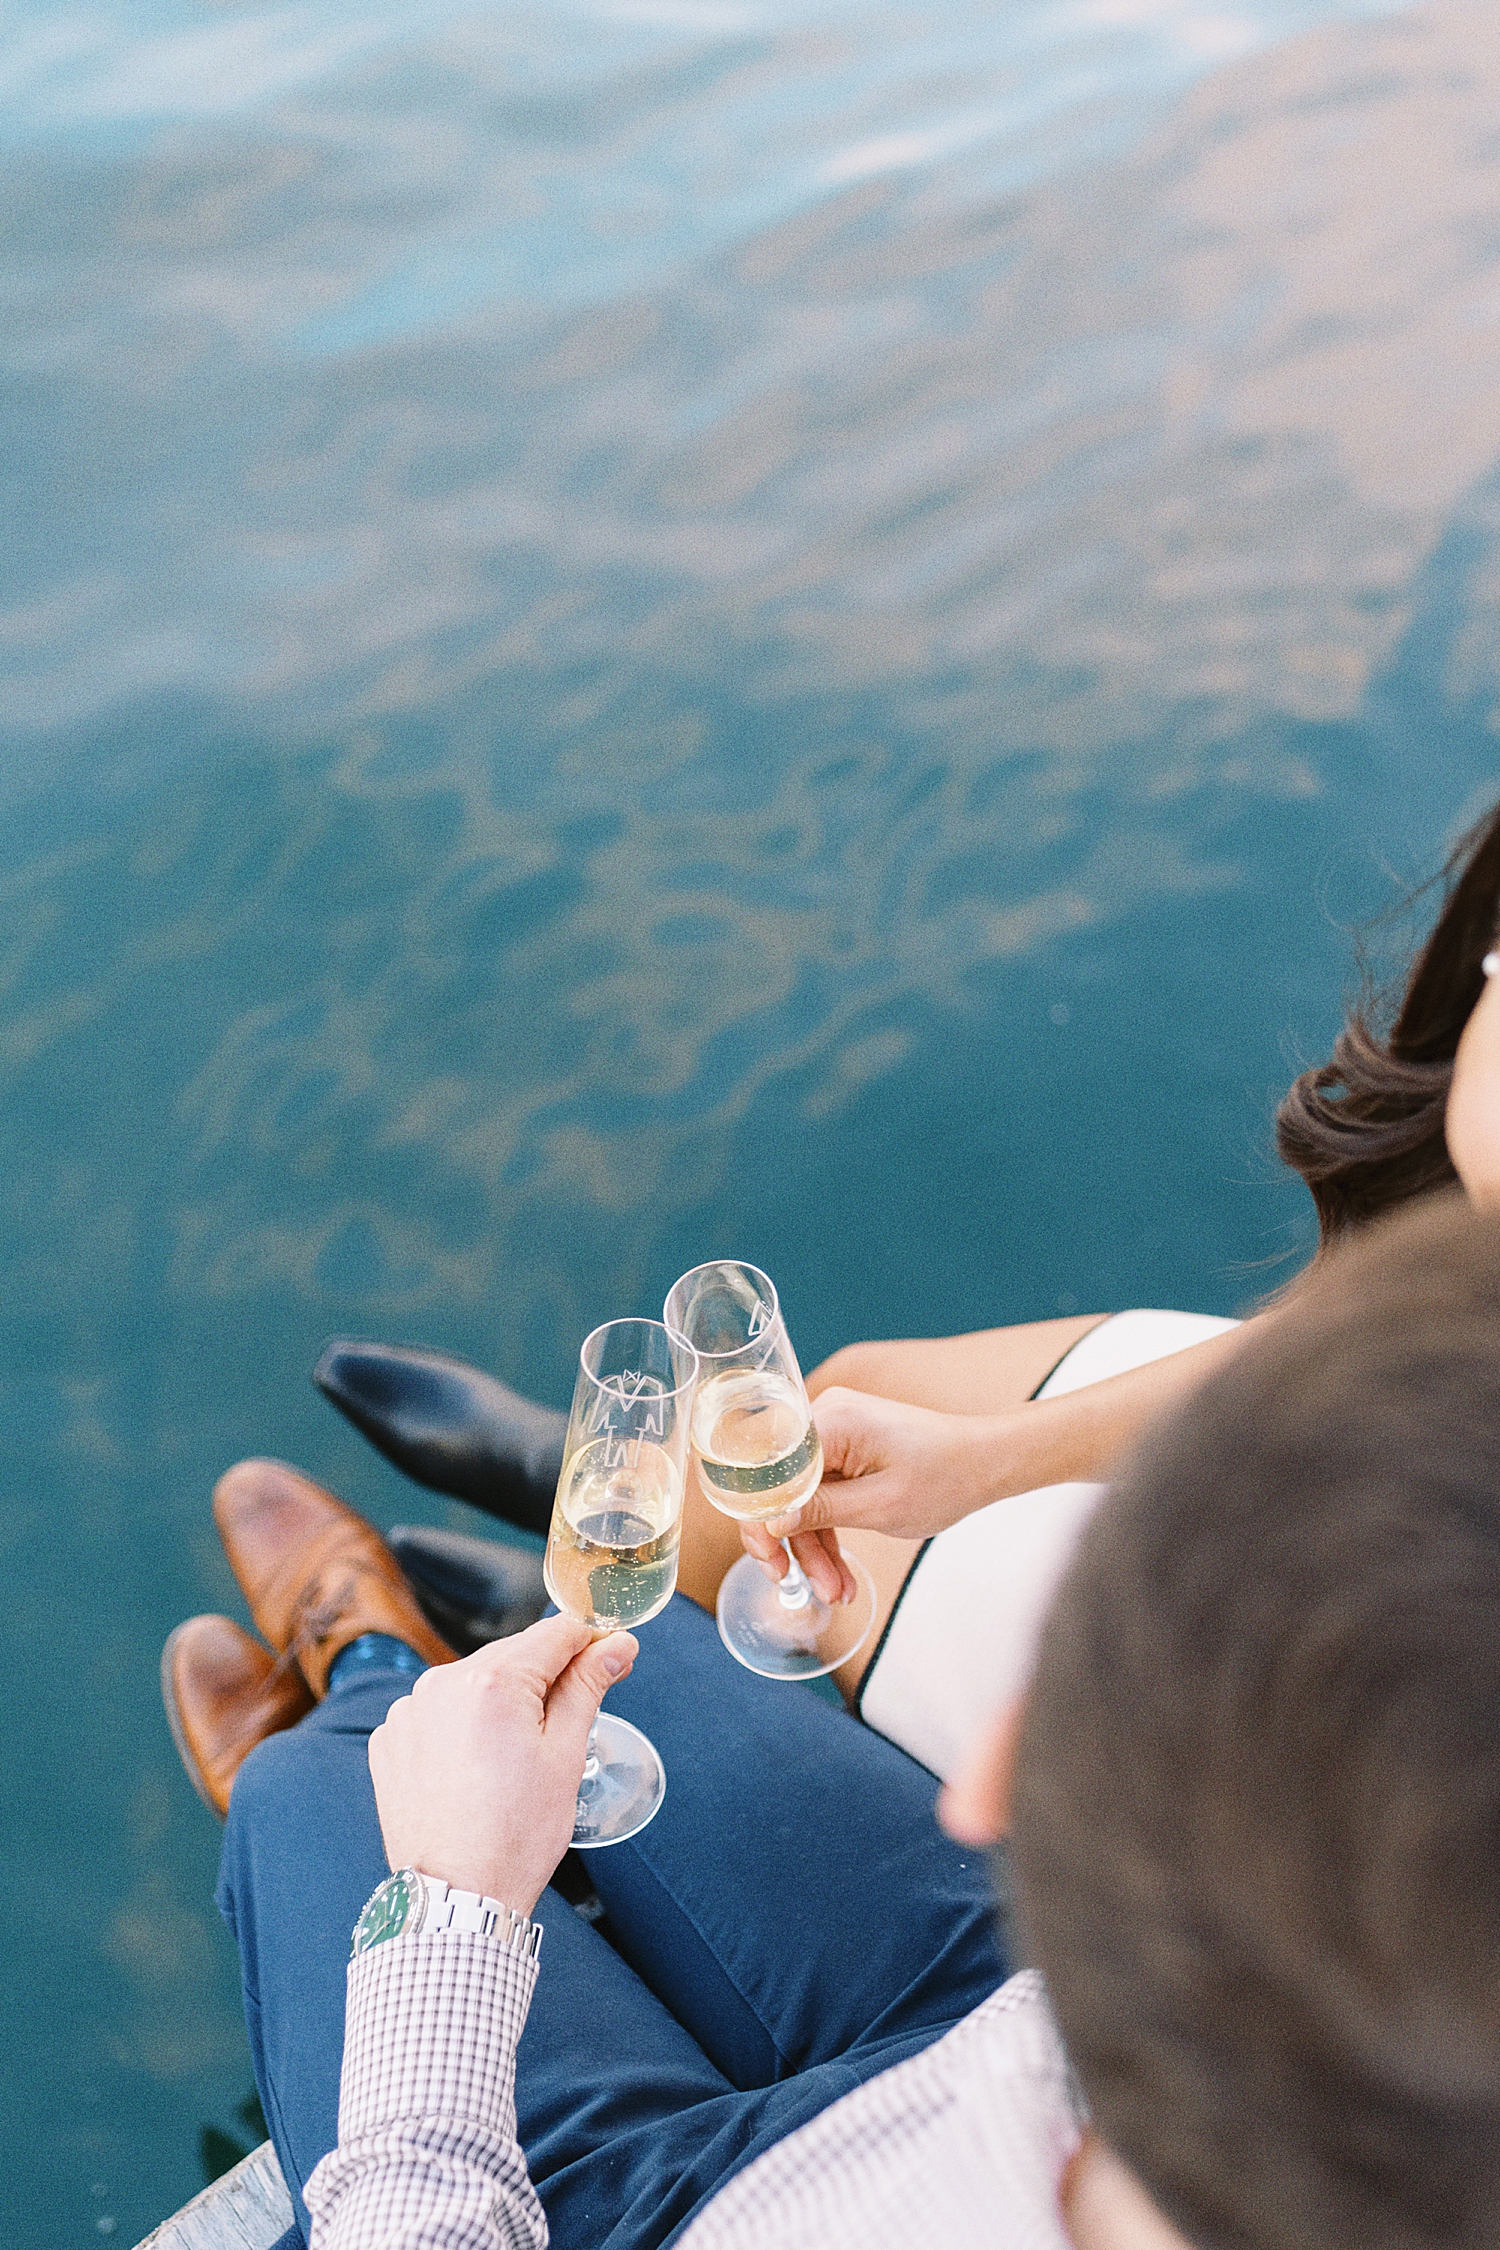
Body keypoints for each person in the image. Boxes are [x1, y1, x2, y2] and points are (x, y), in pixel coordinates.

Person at [182, 1186, 1500, 2249]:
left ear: (999, 1773)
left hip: (682, 2211)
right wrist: (990, 1459)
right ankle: (505, 1600)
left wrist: (447, 1904)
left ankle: (359, 1668)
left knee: (321, 1798)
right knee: (673, 1661)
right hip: (1028, 2034)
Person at [308, 795, 1500, 1772]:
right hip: (1364, 1443)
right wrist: (987, 1462)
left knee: (864, 1567)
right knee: (866, 1392)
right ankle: (613, 1538)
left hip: (1358, 1695)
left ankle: (572, 1634)